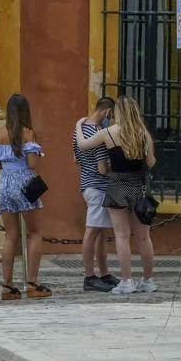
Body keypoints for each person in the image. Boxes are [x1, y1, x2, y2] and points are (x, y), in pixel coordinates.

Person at [77, 95, 158, 296]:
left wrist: (79, 125)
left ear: (118, 113)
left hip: (117, 186)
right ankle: (148, 280)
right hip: (139, 186)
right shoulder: (143, 134)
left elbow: (83, 145)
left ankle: (126, 280)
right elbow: (150, 162)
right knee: (144, 237)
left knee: (121, 236)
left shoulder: (108, 133)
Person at [0, 94, 51, 300]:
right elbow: (33, 164)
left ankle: (7, 286)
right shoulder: (28, 133)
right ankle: (32, 283)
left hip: (5, 184)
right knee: (35, 232)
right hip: (24, 184)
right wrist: (37, 155)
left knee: (10, 236)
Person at [75, 96, 118, 292]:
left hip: (86, 183)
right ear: (107, 111)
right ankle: (89, 276)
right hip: (99, 186)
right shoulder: (99, 134)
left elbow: (76, 159)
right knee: (92, 231)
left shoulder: (78, 131)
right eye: (112, 115)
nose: (112, 119)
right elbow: (102, 168)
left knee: (101, 232)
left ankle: (104, 273)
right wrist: (115, 167)